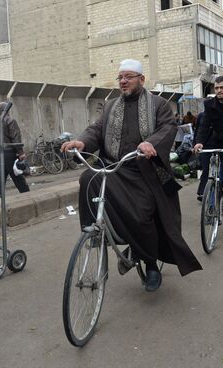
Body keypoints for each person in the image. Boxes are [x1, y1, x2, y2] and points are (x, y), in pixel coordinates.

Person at [61, 59, 202, 292]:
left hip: (145, 172)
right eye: (120, 78)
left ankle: (150, 265)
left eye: (128, 77)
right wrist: (81, 141)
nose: (123, 81)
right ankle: (93, 232)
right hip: (115, 168)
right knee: (88, 179)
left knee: (141, 216)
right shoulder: (110, 106)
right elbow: (97, 130)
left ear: (141, 79)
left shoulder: (158, 105)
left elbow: (167, 128)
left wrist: (150, 143)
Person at [0, 102, 29, 199]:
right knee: (18, 178)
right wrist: (21, 153)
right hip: (9, 153)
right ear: (7, 109)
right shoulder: (10, 120)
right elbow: (16, 138)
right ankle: (28, 197)